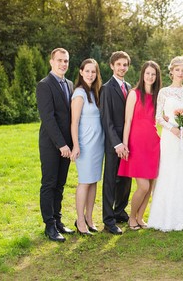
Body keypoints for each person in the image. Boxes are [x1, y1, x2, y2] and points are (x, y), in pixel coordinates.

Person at [148, 56, 183, 232]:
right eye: (178, 70)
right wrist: (173, 128)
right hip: (171, 138)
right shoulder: (164, 92)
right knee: (169, 171)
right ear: (171, 71)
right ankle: (165, 215)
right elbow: (157, 117)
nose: (181, 73)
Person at [36, 48, 75, 242]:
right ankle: (49, 225)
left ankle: (58, 221)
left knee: (60, 184)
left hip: (66, 144)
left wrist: (71, 143)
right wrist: (61, 144)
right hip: (52, 144)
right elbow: (48, 119)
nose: (63, 64)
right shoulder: (44, 85)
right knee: (49, 183)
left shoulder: (69, 84)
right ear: (52, 62)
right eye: (59, 60)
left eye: (66, 61)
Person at [118, 61, 161, 230]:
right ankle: (131, 217)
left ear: (157, 77)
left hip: (153, 143)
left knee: (150, 185)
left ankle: (140, 217)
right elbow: (127, 121)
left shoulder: (158, 96)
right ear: (142, 74)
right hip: (136, 143)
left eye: (153, 74)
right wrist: (125, 143)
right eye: (147, 73)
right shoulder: (134, 94)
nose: (150, 77)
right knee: (142, 186)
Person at [100, 51, 132, 235]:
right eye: (119, 64)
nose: (122, 68)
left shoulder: (128, 87)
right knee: (111, 180)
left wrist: (127, 142)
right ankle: (108, 219)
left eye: (125, 65)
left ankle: (120, 211)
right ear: (112, 66)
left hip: (128, 142)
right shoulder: (106, 88)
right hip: (114, 143)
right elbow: (106, 119)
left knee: (126, 179)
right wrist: (117, 143)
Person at [70, 58, 104, 236]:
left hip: (98, 144)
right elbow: (74, 122)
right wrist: (76, 145)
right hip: (85, 144)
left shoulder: (95, 92)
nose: (91, 74)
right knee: (84, 182)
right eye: (87, 71)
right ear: (81, 72)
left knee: (93, 182)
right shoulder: (79, 93)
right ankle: (80, 220)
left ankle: (90, 217)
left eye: (94, 72)